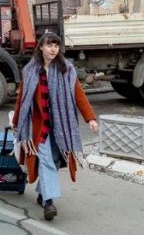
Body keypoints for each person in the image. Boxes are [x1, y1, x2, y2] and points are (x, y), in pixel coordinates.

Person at [11, 32, 99, 221]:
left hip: (61, 125)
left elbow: (79, 95)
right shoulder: (30, 70)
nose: (53, 49)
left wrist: (90, 118)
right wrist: (17, 121)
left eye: (56, 46)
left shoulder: (66, 69)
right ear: (41, 47)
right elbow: (22, 99)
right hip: (38, 125)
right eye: (49, 45)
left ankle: (42, 193)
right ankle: (48, 202)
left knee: (55, 159)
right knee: (45, 160)